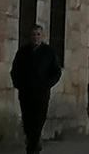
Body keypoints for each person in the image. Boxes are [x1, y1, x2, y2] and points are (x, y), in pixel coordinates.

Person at [10, 25, 62, 154]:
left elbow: (56, 72)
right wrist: (19, 84)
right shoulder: (22, 52)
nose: (36, 37)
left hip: (41, 93)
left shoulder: (49, 52)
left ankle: (33, 147)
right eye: (33, 35)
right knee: (28, 121)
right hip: (26, 93)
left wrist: (47, 84)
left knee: (38, 120)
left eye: (38, 34)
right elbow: (15, 71)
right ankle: (32, 142)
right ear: (30, 36)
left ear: (42, 36)